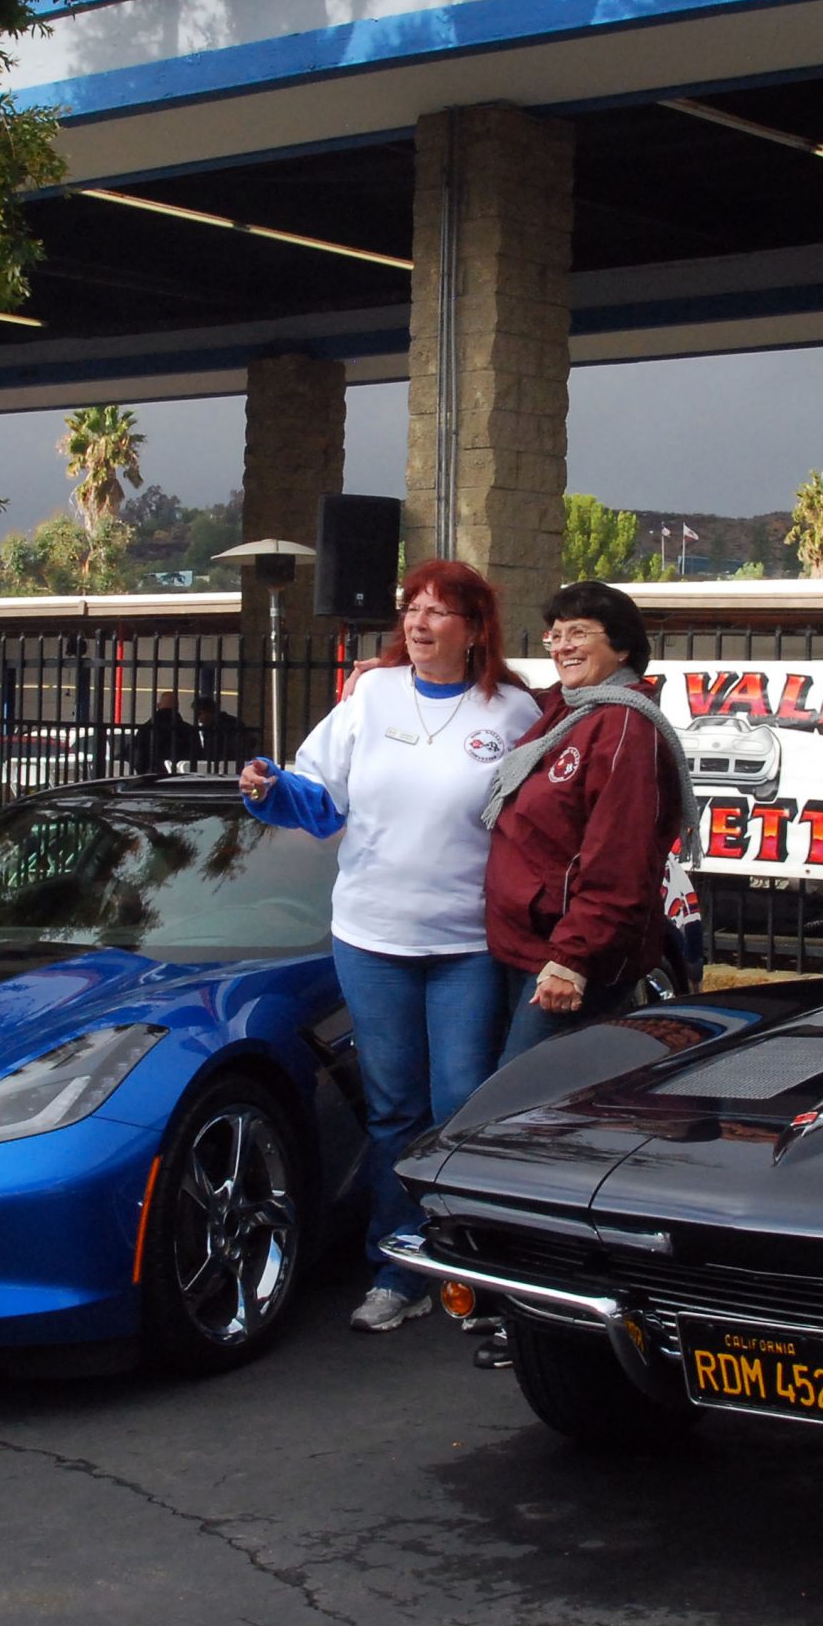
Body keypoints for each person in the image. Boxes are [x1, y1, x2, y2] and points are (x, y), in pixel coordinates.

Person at [239, 560, 539, 1333]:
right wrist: (271, 788)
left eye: (439, 612)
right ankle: (396, 1268)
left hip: (467, 943)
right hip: (372, 937)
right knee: (394, 1110)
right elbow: (320, 798)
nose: (419, 622)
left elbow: (542, 818)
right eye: (412, 608)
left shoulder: (512, 711)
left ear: (474, 629)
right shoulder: (370, 694)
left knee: (462, 1104)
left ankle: (474, 1271)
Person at [468, 581, 697, 1370]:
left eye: (582, 632)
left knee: (523, 1127)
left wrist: (574, 956)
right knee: (530, 1123)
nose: (563, 644)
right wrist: (384, 673)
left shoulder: (623, 726)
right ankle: (519, 1295)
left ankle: (534, 1303)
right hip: (518, 952)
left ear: (623, 646)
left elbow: (620, 861)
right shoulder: (564, 713)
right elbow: (484, 683)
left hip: (565, 964)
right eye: (556, 631)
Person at [128, 690, 200, 772]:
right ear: (177, 707)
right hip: (182, 779)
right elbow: (198, 757)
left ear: (157, 706)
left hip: (152, 777)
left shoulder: (146, 729)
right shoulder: (189, 730)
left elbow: (138, 757)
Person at [191, 694, 255, 768]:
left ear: (209, 711)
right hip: (232, 766)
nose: (199, 719)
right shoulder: (228, 724)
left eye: (199, 714)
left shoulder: (226, 726)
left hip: (229, 766)